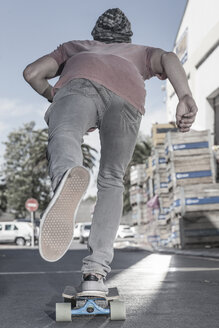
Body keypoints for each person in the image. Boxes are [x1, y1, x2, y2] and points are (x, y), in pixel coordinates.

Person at [23, 8, 198, 295]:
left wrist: (57, 97)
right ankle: (95, 274)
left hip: (77, 84)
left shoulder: (74, 48)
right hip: (127, 92)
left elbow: (32, 73)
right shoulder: (139, 52)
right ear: (126, 38)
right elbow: (168, 57)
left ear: (96, 36)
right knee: (112, 180)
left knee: (65, 134)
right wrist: (185, 96)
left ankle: (66, 175)